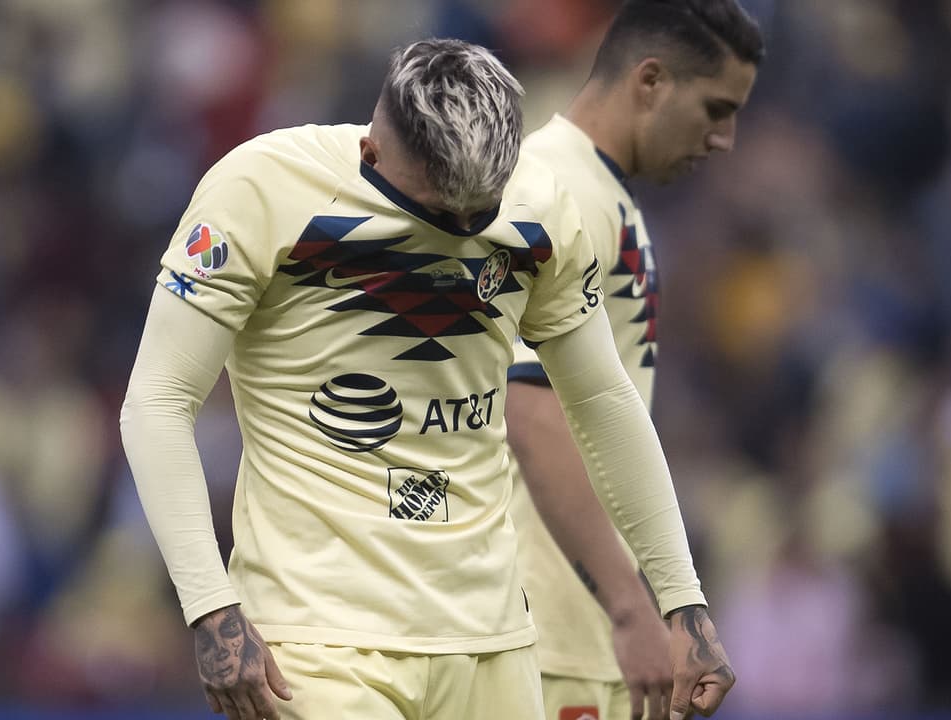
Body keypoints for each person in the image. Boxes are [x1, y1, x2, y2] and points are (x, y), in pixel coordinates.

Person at [120, 38, 731, 720]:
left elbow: (601, 398)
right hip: (319, 645)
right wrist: (210, 608)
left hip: (495, 640)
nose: (464, 229)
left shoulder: (539, 206)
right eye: (441, 212)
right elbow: (159, 400)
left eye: (482, 212)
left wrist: (682, 600)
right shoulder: (261, 190)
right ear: (374, 150)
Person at [505, 2, 763, 719]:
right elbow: (531, 409)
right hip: (550, 631)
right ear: (650, 81)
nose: (724, 139)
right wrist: (631, 606)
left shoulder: (595, 191)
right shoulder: (559, 191)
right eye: (715, 109)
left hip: (573, 626)